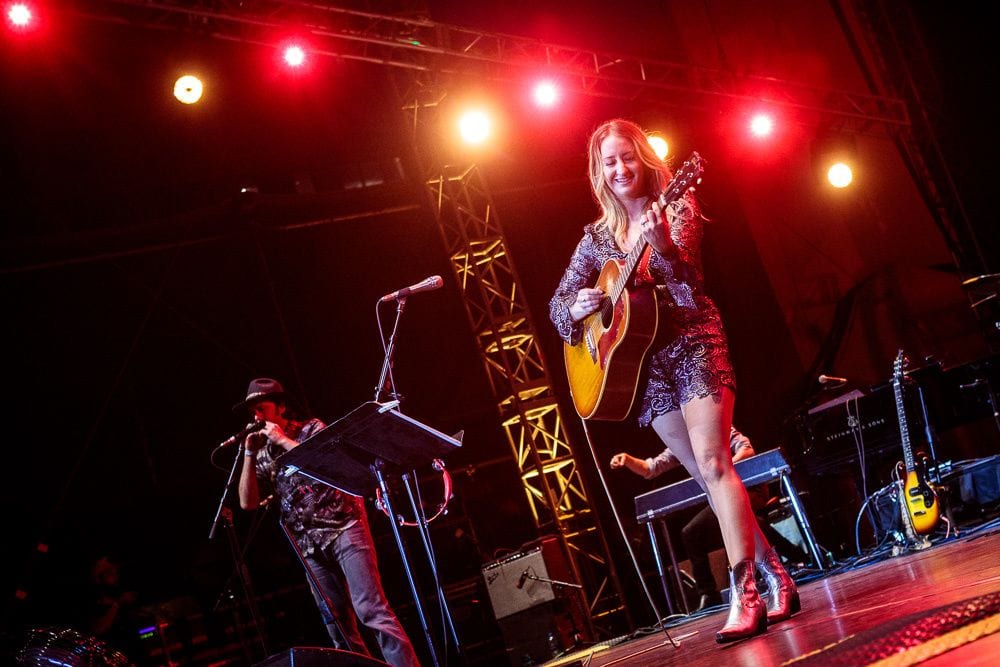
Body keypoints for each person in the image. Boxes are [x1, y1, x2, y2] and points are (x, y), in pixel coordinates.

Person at [549, 118, 798, 642]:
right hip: (644, 365)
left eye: (628, 157)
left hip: (693, 343)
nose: (621, 169)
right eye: (610, 162)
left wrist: (663, 248)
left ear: (644, 160)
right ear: (599, 171)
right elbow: (556, 306)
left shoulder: (677, 207)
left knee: (715, 464)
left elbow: (689, 288)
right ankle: (777, 575)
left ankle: (745, 595)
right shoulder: (595, 238)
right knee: (704, 479)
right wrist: (577, 307)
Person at [235, 378, 419, 666]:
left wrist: (282, 440)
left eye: (262, 408)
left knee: (371, 611)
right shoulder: (263, 453)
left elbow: (328, 468)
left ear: (281, 407)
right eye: (253, 411)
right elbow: (247, 503)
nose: (256, 417)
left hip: (344, 529)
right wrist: (248, 453)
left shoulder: (311, 429)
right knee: (338, 627)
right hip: (309, 547)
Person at [611, 427, 771, 610]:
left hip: (748, 489)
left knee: (732, 520)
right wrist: (627, 459)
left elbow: (746, 449)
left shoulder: (713, 424)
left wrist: (720, 472)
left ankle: (771, 569)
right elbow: (651, 468)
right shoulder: (680, 441)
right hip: (720, 497)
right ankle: (708, 593)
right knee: (691, 532)